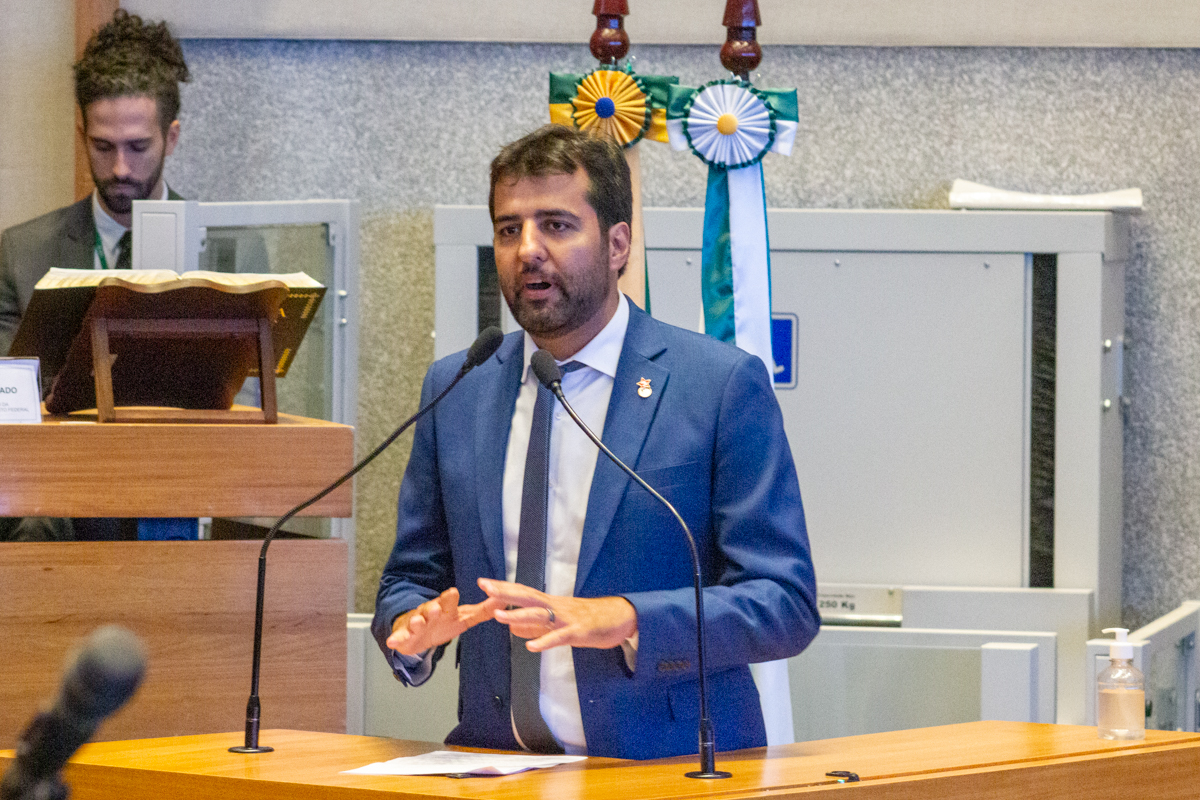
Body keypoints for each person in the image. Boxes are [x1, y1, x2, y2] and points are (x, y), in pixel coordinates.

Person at [372, 124, 819, 760]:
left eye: (556, 225)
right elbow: (411, 576)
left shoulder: (715, 386)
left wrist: (628, 618)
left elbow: (784, 602)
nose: (528, 250)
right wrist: (413, 626)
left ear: (617, 244)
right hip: (499, 767)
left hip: (668, 770)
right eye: (508, 229)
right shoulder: (459, 386)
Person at [0, 10, 190, 542]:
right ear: (82, 133)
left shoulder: (220, 249)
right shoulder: (23, 253)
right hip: (57, 495)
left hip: (180, 488)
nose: (121, 169)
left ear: (171, 137)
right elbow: (10, 403)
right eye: (103, 147)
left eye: (138, 147)